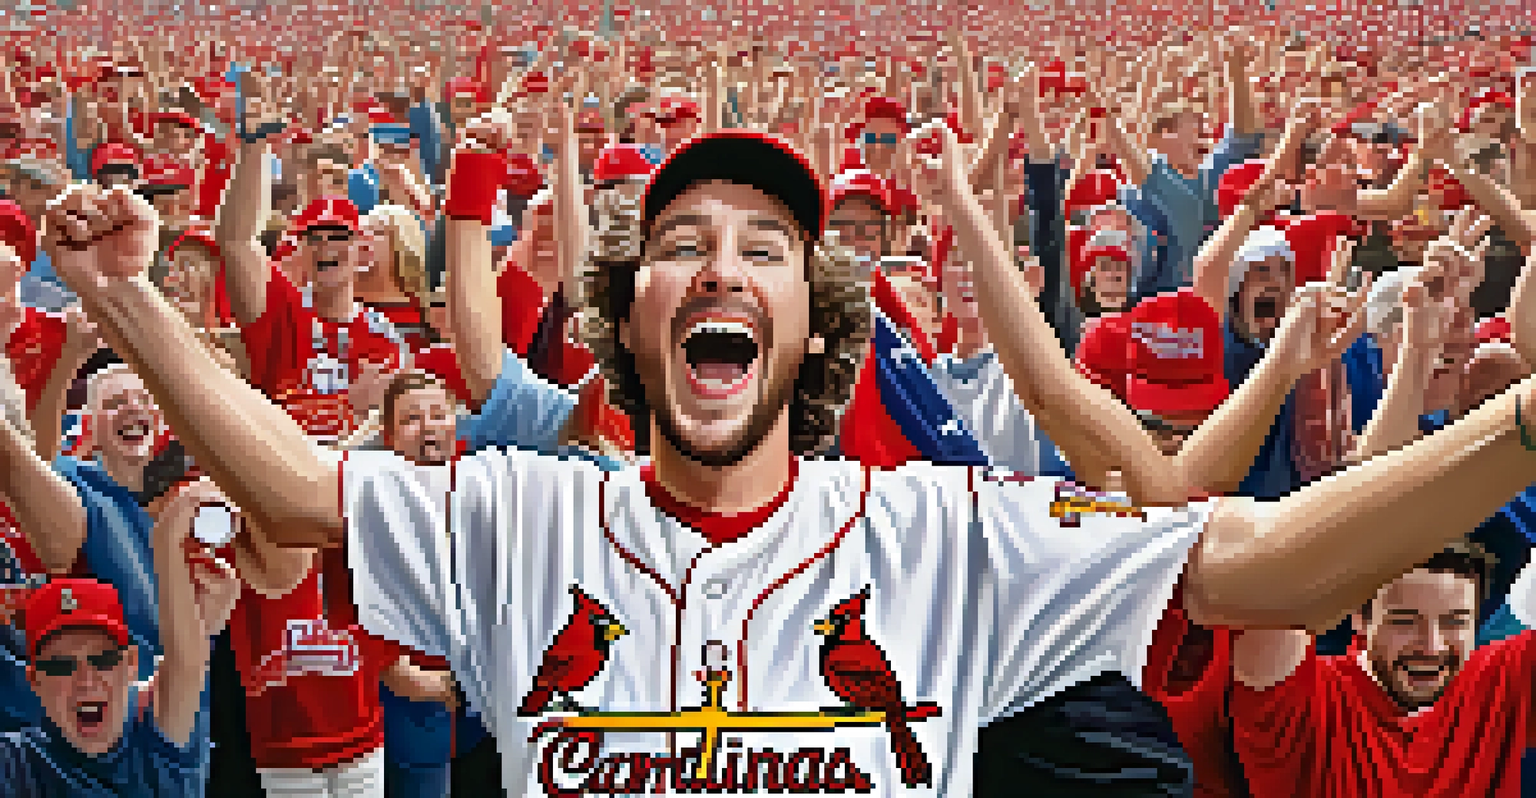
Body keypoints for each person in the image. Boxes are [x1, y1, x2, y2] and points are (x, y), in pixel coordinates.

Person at [0, 478, 241, 795]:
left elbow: (186, 663)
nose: (85, 680)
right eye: (61, 666)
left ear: (130, 664)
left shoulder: (156, 741)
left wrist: (172, 532)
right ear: (34, 682)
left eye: (102, 660)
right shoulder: (17, 761)